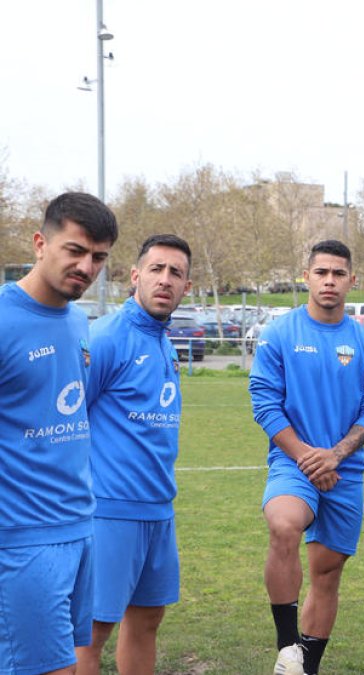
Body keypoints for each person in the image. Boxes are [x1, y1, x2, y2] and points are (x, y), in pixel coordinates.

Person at [249, 240, 364, 675]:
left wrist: (337, 454)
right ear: (306, 276)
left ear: (352, 281)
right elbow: (264, 403)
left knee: (327, 577)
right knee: (284, 524)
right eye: (321, 272)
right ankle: (287, 644)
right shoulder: (279, 333)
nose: (330, 281)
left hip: (344, 471)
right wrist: (310, 458)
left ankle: (304, 669)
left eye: (338, 274)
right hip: (294, 462)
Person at [0, 192, 117, 675]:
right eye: (75, 250)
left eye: (99, 257)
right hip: (22, 539)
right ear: (40, 243)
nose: (87, 267)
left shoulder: (76, 321)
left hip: (79, 529)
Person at [75, 235, 192, 675]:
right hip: (109, 512)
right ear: (135, 276)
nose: (165, 280)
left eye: (175, 273)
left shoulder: (164, 342)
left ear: (187, 286)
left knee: (146, 620)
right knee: (91, 633)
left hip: (159, 510)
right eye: (157, 269)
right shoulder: (105, 337)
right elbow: (68, 418)